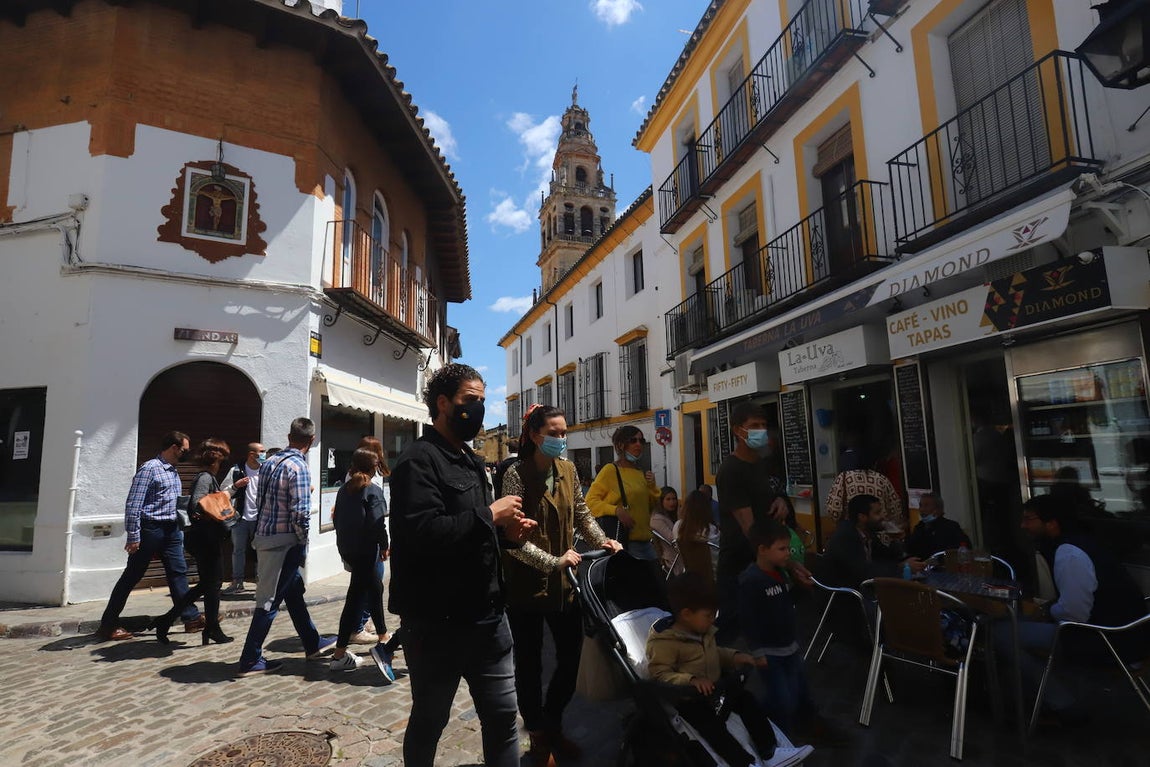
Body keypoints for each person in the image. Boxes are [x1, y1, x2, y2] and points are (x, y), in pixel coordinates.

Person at [388, 363, 537, 767]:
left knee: (504, 718)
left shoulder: (471, 461)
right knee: (429, 721)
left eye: (483, 402)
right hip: (437, 625)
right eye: (470, 401)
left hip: (489, 618)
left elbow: (470, 533)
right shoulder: (418, 462)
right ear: (442, 403)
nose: (479, 410)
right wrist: (491, 515)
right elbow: (423, 534)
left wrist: (506, 535)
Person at [501, 404, 623, 766]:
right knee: (529, 662)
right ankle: (538, 733)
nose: (560, 439)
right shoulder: (515, 474)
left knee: (571, 656)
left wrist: (602, 540)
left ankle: (549, 722)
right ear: (535, 435)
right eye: (553, 433)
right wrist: (553, 562)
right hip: (525, 584)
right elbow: (511, 539)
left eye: (563, 433)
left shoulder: (568, 469)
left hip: (564, 585)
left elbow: (582, 513)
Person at [996, 494, 1149, 722]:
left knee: (1000, 634)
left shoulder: (1069, 553)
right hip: (1128, 634)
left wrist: (1047, 612)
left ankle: (1061, 701)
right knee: (1021, 624)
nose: (1023, 525)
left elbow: (1075, 614)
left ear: (1051, 523)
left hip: (1109, 640)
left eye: (1029, 519)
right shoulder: (1082, 542)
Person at [646, 572, 811, 767]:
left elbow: (714, 652)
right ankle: (743, 763)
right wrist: (690, 680)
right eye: (708, 615)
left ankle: (770, 752)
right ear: (687, 614)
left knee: (747, 700)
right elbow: (660, 673)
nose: (712, 620)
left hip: (716, 690)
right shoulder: (665, 641)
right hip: (689, 700)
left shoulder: (701, 629)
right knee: (714, 730)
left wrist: (735, 656)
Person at [237, 417, 336, 675]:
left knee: (293, 595)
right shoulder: (298, 467)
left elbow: (260, 499)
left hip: (266, 535)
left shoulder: (269, 462)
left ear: (289, 435)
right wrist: (302, 542)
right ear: (311, 440)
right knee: (269, 601)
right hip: (285, 542)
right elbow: (301, 512)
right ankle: (250, 658)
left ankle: (312, 643)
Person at [715, 402, 808, 643]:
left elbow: (762, 502)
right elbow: (750, 529)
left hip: (763, 564)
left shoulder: (759, 464)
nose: (761, 431)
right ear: (738, 430)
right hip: (739, 567)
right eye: (753, 426)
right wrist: (789, 564)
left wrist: (780, 501)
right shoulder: (731, 469)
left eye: (763, 426)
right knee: (735, 640)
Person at [98, 431, 202, 641]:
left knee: (178, 572)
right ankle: (108, 625)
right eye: (185, 450)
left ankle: (190, 618)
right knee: (132, 576)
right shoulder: (150, 469)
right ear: (174, 447)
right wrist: (134, 535)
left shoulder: (172, 470)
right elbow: (134, 504)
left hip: (171, 529)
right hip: (150, 529)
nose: (187, 454)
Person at [738, 520, 819, 737]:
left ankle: (779, 726)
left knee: (793, 692)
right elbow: (748, 620)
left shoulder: (780, 573)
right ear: (762, 550)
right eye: (782, 549)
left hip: (789, 647)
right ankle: (775, 735)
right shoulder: (751, 581)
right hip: (769, 652)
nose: (787, 554)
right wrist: (757, 652)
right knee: (781, 698)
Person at [154, 438, 234, 645]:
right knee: (212, 584)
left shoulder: (207, 478)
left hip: (207, 538)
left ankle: (172, 621)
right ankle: (208, 628)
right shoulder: (205, 478)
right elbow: (197, 504)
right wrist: (216, 512)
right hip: (205, 539)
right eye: (222, 460)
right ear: (215, 461)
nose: (222, 464)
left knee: (208, 585)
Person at [328, 447, 396, 681]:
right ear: (373, 467)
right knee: (357, 598)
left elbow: (336, 519)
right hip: (367, 551)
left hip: (350, 551)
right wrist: (385, 545)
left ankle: (383, 638)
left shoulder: (343, 490)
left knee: (373, 590)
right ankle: (342, 654)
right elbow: (378, 523)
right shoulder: (372, 491)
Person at [346, 436, 395, 646]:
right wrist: (384, 544)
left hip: (355, 543)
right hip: (368, 543)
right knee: (372, 586)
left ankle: (361, 625)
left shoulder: (353, 478)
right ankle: (360, 628)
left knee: (364, 587)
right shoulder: (367, 484)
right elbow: (376, 520)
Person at [586, 425, 661, 559]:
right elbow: (590, 502)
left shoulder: (640, 472)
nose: (638, 444)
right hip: (625, 542)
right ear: (621, 445)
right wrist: (616, 510)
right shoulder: (610, 470)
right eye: (633, 440)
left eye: (641, 441)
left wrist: (652, 486)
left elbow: (650, 507)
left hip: (646, 541)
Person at [824, 494, 924, 589]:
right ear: (862, 517)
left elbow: (887, 556)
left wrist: (896, 539)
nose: (882, 517)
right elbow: (864, 572)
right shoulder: (845, 537)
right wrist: (901, 567)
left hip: (865, 588)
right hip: (845, 595)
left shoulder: (868, 533)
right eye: (877, 513)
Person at [222, 442, 264, 594]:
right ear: (251, 454)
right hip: (240, 518)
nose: (264, 454)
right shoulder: (236, 470)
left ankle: (261, 583)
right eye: (261, 451)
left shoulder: (265, 470)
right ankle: (237, 582)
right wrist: (236, 485)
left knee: (260, 551)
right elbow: (223, 492)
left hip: (260, 519)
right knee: (238, 551)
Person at [904, 493, 971, 560]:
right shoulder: (919, 527)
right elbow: (909, 549)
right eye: (920, 506)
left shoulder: (951, 527)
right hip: (921, 568)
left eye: (926, 506)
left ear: (938, 509)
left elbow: (964, 549)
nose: (921, 509)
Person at [674, 489, 719, 585]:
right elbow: (717, 558)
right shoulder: (710, 530)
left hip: (689, 574)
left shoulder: (677, 527)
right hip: (712, 576)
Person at [651, 486, 680, 573]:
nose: (672, 502)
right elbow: (673, 539)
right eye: (668, 499)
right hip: (671, 558)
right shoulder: (657, 519)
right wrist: (680, 520)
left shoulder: (671, 516)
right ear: (661, 501)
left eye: (674, 499)